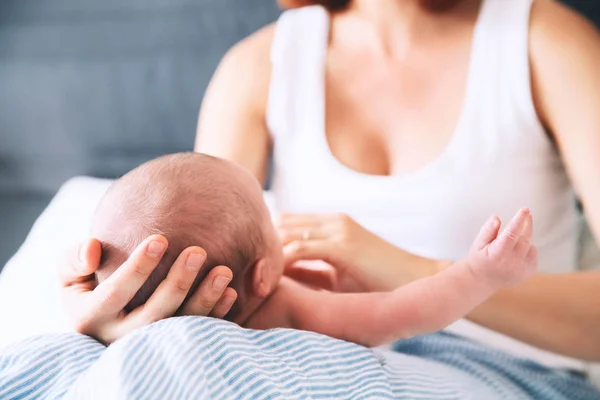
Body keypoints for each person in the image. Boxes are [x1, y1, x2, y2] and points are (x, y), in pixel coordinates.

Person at [59, 0, 600, 396]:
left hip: (510, 374)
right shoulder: (258, 68)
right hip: (323, 363)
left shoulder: (540, 39)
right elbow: (189, 263)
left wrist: (411, 269)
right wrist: (125, 317)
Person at [92, 151, 537, 346]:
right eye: (270, 219)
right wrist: (480, 275)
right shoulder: (289, 305)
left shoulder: (122, 333)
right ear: (262, 276)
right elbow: (398, 314)